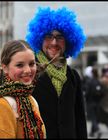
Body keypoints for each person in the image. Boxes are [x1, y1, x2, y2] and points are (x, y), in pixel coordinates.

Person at [25, 6, 87, 138]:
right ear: (39, 39)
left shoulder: (73, 76)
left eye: (60, 37)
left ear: (69, 41)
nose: (54, 42)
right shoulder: (29, 73)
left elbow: (80, 119)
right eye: (48, 36)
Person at [0, 40, 46, 139]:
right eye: (20, 65)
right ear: (5, 68)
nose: (28, 70)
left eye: (31, 64)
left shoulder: (29, 99)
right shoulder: (0, 106)